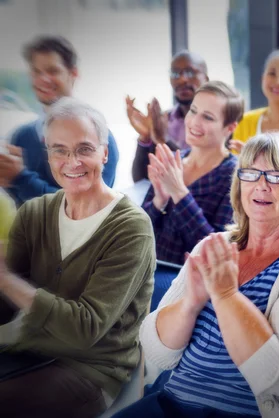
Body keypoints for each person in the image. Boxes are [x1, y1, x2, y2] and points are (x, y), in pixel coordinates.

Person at [115, 132, 279, 418]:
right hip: (172, 403)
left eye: (276, 176)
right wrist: (190, 303)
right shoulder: (214, 245)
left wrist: (226, 296)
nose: (261, 185)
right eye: (251, 174)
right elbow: (156, 351)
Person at [0, 97, 155, 418]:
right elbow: (5, 305)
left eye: (84, 148)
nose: (72, 161)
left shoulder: (131, 227)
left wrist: (5, 279)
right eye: (59, 150)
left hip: (93, 371)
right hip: (30, 353)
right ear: (48, 154)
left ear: (105, 152)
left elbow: (85, 329)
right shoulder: (35, 213)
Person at [0, 35, 119, 206]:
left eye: (52, 71)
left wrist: (20, 178)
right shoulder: (22, 136)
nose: (43, 79)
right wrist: (9, 177)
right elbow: (24, 204)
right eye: (37, 72)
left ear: (73, 74)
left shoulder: (98, 137)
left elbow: (89, 205)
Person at [141, 81, 243, 266]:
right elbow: (137, 230)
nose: (194, 122)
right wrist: (159, 201)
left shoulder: (236, 176)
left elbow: (216, 251)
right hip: (149, 271)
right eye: (193, 111)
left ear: (230, 128)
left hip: (190, 284)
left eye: (208, 117)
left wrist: (179, 193)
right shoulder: (172, 159)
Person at [127, 50, 209, 182]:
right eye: (175, 73)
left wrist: (164, 140)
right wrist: (145, 138)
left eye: (190, 72)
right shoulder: (164, 120)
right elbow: (141, 180)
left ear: (206, 78)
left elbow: (203, 176)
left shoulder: (219, 122)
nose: (182, 79)